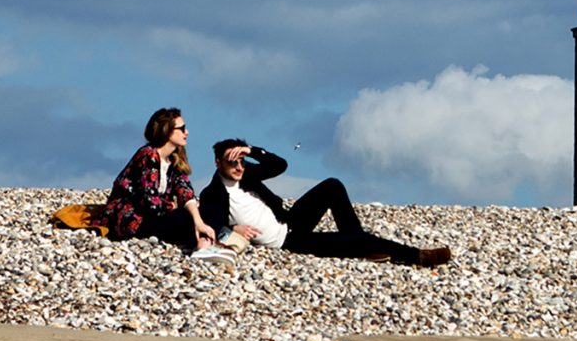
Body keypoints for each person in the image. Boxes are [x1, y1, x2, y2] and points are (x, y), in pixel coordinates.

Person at [198, 139, 451, 267]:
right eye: (232, 162)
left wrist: (252, 150)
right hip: (288, 241)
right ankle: (416, 256)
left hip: (290, 221)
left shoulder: (247, 173)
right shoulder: (214, 193)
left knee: (332, 185)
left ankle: (357, 242)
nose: (238, 167)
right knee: (357, 240)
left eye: (241, 161)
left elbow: (279, 165)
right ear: (217, 163)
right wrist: (233, 229)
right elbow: (211, 224)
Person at [93, 108, 216, 253]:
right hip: (132, 219)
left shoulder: (174, 159)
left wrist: (198, 221)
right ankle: (204, 246)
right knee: (183, 218)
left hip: (156, 216)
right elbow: (149, 201)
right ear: (167, 131)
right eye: (182, 129)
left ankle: (205, 242)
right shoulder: (147, 155)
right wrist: (173, 206)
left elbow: (185, 192)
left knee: (204, 213)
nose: (187, 132)